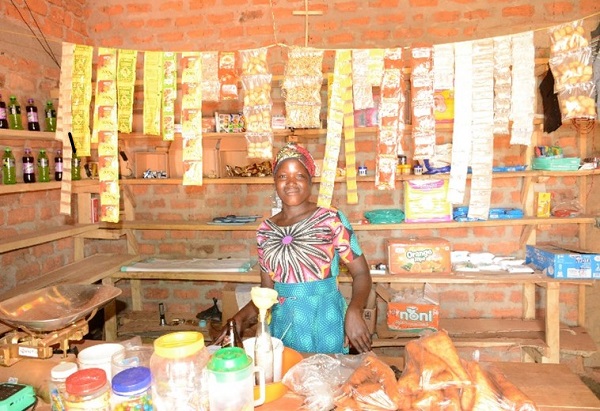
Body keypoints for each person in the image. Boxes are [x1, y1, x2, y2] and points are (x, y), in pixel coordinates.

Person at [215, 142, 373, 354]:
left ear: (310, 180)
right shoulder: (265, 231)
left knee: (324, 381)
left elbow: (362, 273)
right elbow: (268, 293)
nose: (291, 183)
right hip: (283, 324)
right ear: (275, 182)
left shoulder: (331, 219)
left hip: (324, 319)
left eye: (299, 175)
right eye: (282, 176)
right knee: (286, 380)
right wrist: (238, 319)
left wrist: (354, 310)